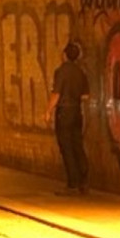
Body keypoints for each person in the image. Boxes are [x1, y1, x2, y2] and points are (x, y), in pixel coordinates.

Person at [44, 42, 90, 195]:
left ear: (64, 55)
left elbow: (56, 94)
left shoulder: (61, 71)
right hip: (77, 111)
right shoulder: (80, 72)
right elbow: (85, 96)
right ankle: (83, 180)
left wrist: (48, 111)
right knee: (77, 144)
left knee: (66, 147)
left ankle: (73, 183)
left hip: (64, 112)